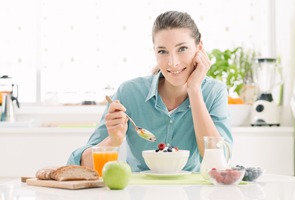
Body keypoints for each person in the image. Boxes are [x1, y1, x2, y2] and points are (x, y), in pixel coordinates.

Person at [67, 10, 233, 172]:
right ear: (154, 52)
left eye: (182, 48)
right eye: (163, 51)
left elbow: (220, 162)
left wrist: (194, 89)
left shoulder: (214, 92)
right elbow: (77, 166)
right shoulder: (129, 93)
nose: (173, 62)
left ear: (199, 48)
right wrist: (112, 141)